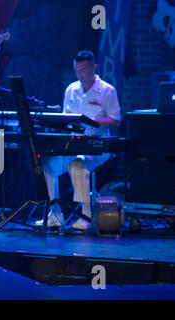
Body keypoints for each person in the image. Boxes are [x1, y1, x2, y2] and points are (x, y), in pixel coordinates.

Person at [35, 50, 121, 230]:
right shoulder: (71, 90)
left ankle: (86, 215)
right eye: (77, 70)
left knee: (78, 165)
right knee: (48, 164)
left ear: (94, 68)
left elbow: (115, 120)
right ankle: (55, 214)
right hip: (74, 143)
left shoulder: (107, 90)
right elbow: (67, 119)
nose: (80, 74)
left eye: (84, 70)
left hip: (98, 146)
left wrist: (92, 122)